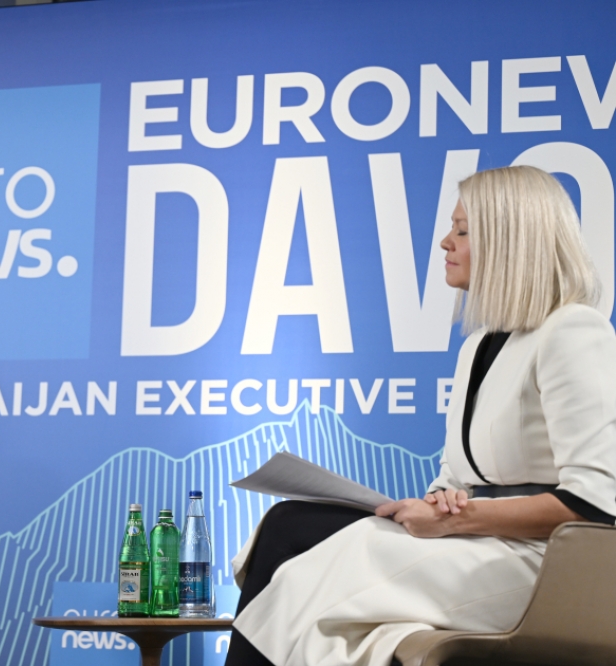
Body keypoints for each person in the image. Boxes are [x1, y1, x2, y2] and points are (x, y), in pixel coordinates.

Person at [225, 166, 616, 666]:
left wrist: (460, 518)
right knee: (288, 523)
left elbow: (593, 504)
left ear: (509, 239)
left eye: (462, 231)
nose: (445, 243)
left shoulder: (574, 331)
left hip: (539, 564)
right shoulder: (479, 345)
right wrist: (442, 501)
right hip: (478, 541)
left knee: (332, 568)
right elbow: (457, 478)